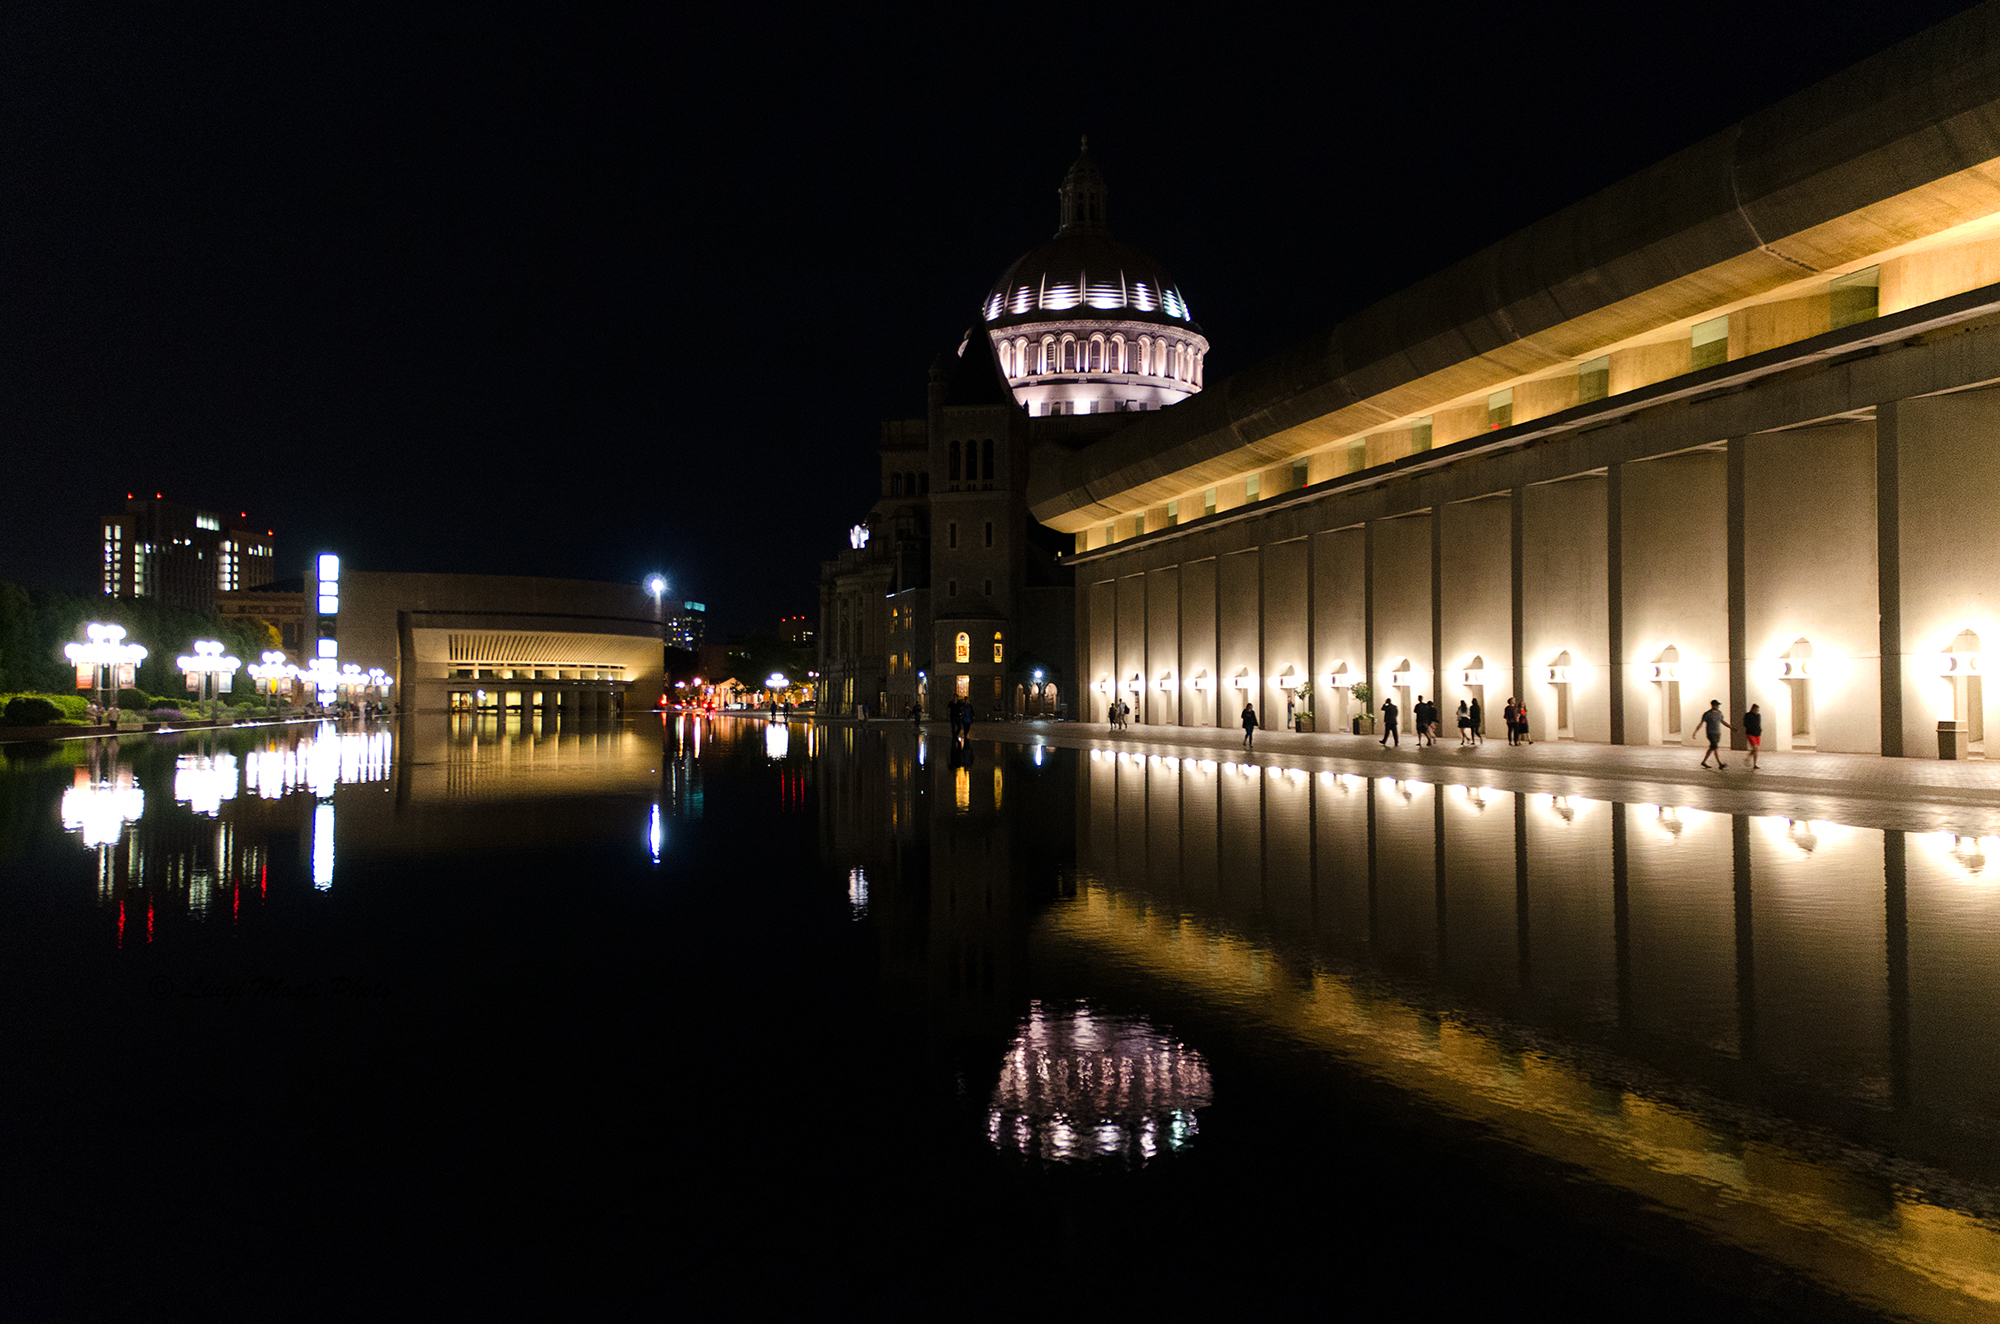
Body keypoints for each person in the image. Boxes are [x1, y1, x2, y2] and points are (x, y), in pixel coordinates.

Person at [1695, 699, 1731, 768]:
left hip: (1717, 732)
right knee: (1714, 747)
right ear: (1713, 705)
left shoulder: (1719, 713)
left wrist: (1730, 727)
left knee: (1713, 748)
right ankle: (1720, 763)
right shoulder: (1708, 714)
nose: (1718, 706)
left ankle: (1704, 761)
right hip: (1711, 733)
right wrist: (1696, 732)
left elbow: (1722, 721)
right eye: (1717, 705)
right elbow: (1701, 723)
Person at [1744, 702, 1763, 769]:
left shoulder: (1758, 716)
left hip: (1757, 733)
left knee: (1756, 749)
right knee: (1754, 747)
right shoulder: (1747, 715)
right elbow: (1745, 724)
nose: (1757, 711)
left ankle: (1754, 763)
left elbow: (1758, 724)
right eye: (1756, 710)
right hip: (1750, 733)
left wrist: (1759, 730)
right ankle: (1749, 759)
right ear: (1752, 709)